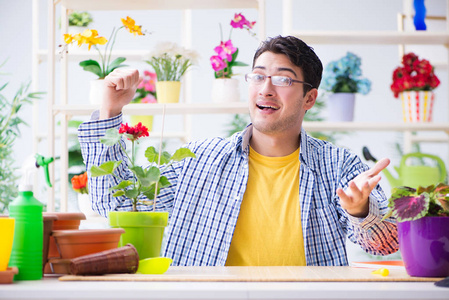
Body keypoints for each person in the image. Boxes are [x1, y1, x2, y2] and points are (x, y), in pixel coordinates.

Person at [79, 35, 398, 267]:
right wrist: (109, 112)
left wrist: (360, 210)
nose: (266, 88)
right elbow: (115, 203)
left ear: (309, 99)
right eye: (258, 76)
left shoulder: (339, 166)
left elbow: (385, 244)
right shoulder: (197, 160)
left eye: (283, 80)